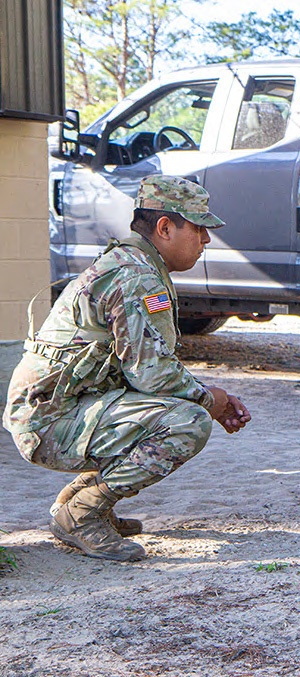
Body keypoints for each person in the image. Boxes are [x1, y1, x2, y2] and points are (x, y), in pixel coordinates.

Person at [3, 175, 251, 562]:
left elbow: (144, 368)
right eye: (199, 228)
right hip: (48, 422)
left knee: (175, 408)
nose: (206, 240)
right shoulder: (135, 275)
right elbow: (151, 374)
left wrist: (208, 396)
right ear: (165, 227)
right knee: (187, 420)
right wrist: (210, 400)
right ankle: (81, 514)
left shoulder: (134, 265)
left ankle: (83, 501)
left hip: (60, 409)